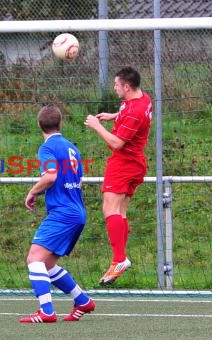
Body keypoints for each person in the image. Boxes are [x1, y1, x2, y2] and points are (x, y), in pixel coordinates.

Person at [19, 104, 95, 324]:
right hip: (77, 211)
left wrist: (32, 192)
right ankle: (82, 301)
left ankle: (46, 312)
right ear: (60, 123)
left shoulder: (47, 148)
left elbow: (51, 176)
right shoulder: (72, 147)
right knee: (47, 264)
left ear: (39, 125)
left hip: (62, 212)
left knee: (34, 258)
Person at [84, 66, 152, 286]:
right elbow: (130, 111)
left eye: (116, 85)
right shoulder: (141, 99)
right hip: (136, 163)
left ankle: (119, 259)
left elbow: (116, 142)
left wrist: (96, 126)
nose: (114, 88)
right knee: (120, 211)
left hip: (124, 163)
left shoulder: (133, 112)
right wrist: (114, 115)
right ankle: (119, 260)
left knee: (109, 209)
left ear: (127, 86)